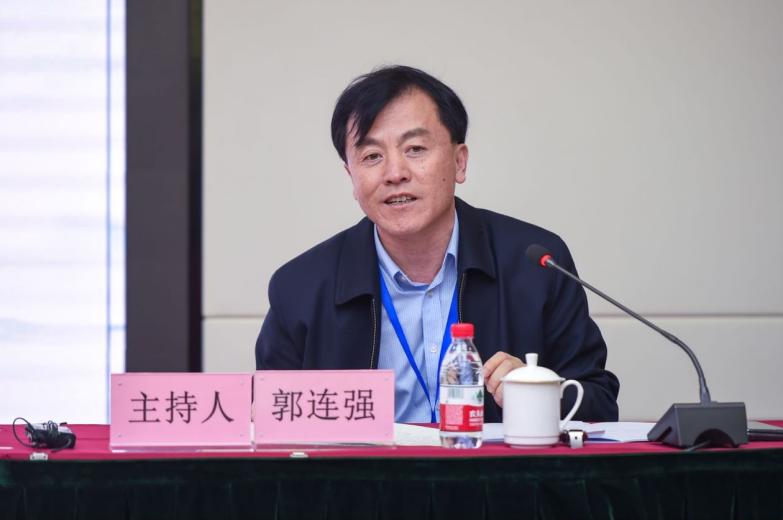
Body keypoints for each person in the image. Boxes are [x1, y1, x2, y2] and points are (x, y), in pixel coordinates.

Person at [256, 65, 619, 423]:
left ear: (459, 162)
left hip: (492, 464)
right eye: (371, 156)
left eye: (415, 148)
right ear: (351, 176)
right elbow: (269, 422)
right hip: (367, 465)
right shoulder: (301, 288)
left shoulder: (536, 265)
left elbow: (599, 405)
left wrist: (539, 395)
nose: (395, 173)